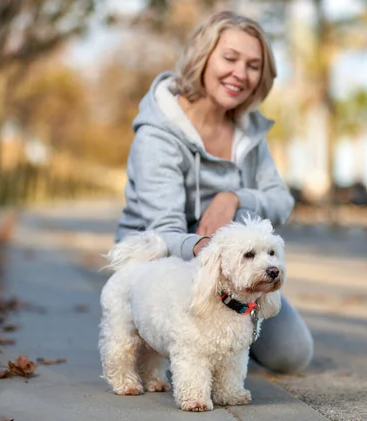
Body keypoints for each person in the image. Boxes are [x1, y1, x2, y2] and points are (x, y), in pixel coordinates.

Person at [114, 10, 313, 374]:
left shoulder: (250, 131)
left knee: (292, 354)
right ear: (203, 57)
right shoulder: (158, 134)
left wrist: (234, 197)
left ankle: (228, 337)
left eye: (254, 65)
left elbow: (281, 200)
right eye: (230, 58)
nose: (241, 73)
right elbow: (165, 231)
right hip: (164, 266)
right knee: (190, 359)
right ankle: (156, 334)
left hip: (234, 273)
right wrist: (208, 252)